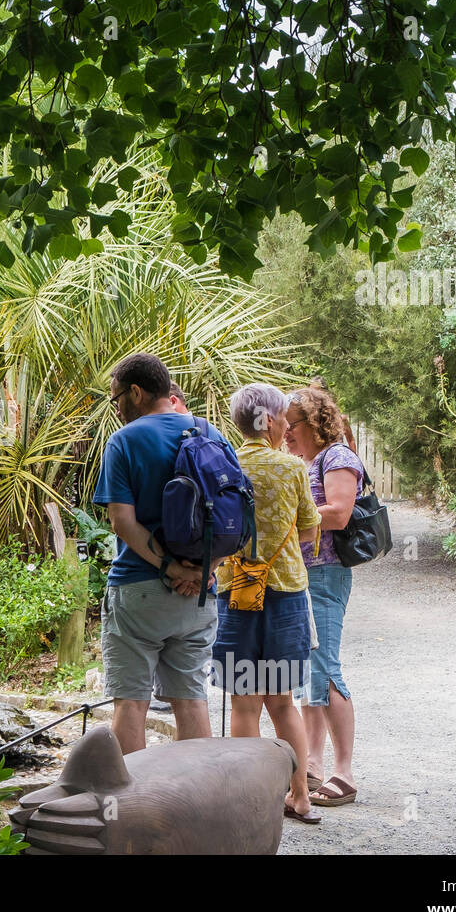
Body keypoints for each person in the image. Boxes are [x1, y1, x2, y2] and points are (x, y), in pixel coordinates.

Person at [92, 353, 237, 753]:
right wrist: (204, 570)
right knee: (191, 697)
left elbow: (122, 522)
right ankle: (197, 807)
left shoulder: (124, 441)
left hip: (139, 590)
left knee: (131, 701)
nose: (116, 407)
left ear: (135, 392)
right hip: (199, 596)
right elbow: (235, 517)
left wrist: (170, 567)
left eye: (116, 397)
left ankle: (135, 809)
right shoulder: (210, 431)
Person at [210, 384, 323, 824]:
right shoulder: (292, 468)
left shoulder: (222, 466)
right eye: (283, 418)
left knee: (244, 703)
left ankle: (246, 803)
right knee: (282, 701)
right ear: (271, 421)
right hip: (285, 597)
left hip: (235, 594)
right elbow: (311, 529)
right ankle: (300, 796)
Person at [285, 385, 363, 807]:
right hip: (302, 575)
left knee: (327, 668)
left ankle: (344, 772)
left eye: (291, 424)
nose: (284, 433)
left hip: (325, 575)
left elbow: (340, 511)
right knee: (309, 670)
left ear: (313, 422)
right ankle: (312, 765)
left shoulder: (338, 457)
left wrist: (284, 522)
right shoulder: (308, 461)